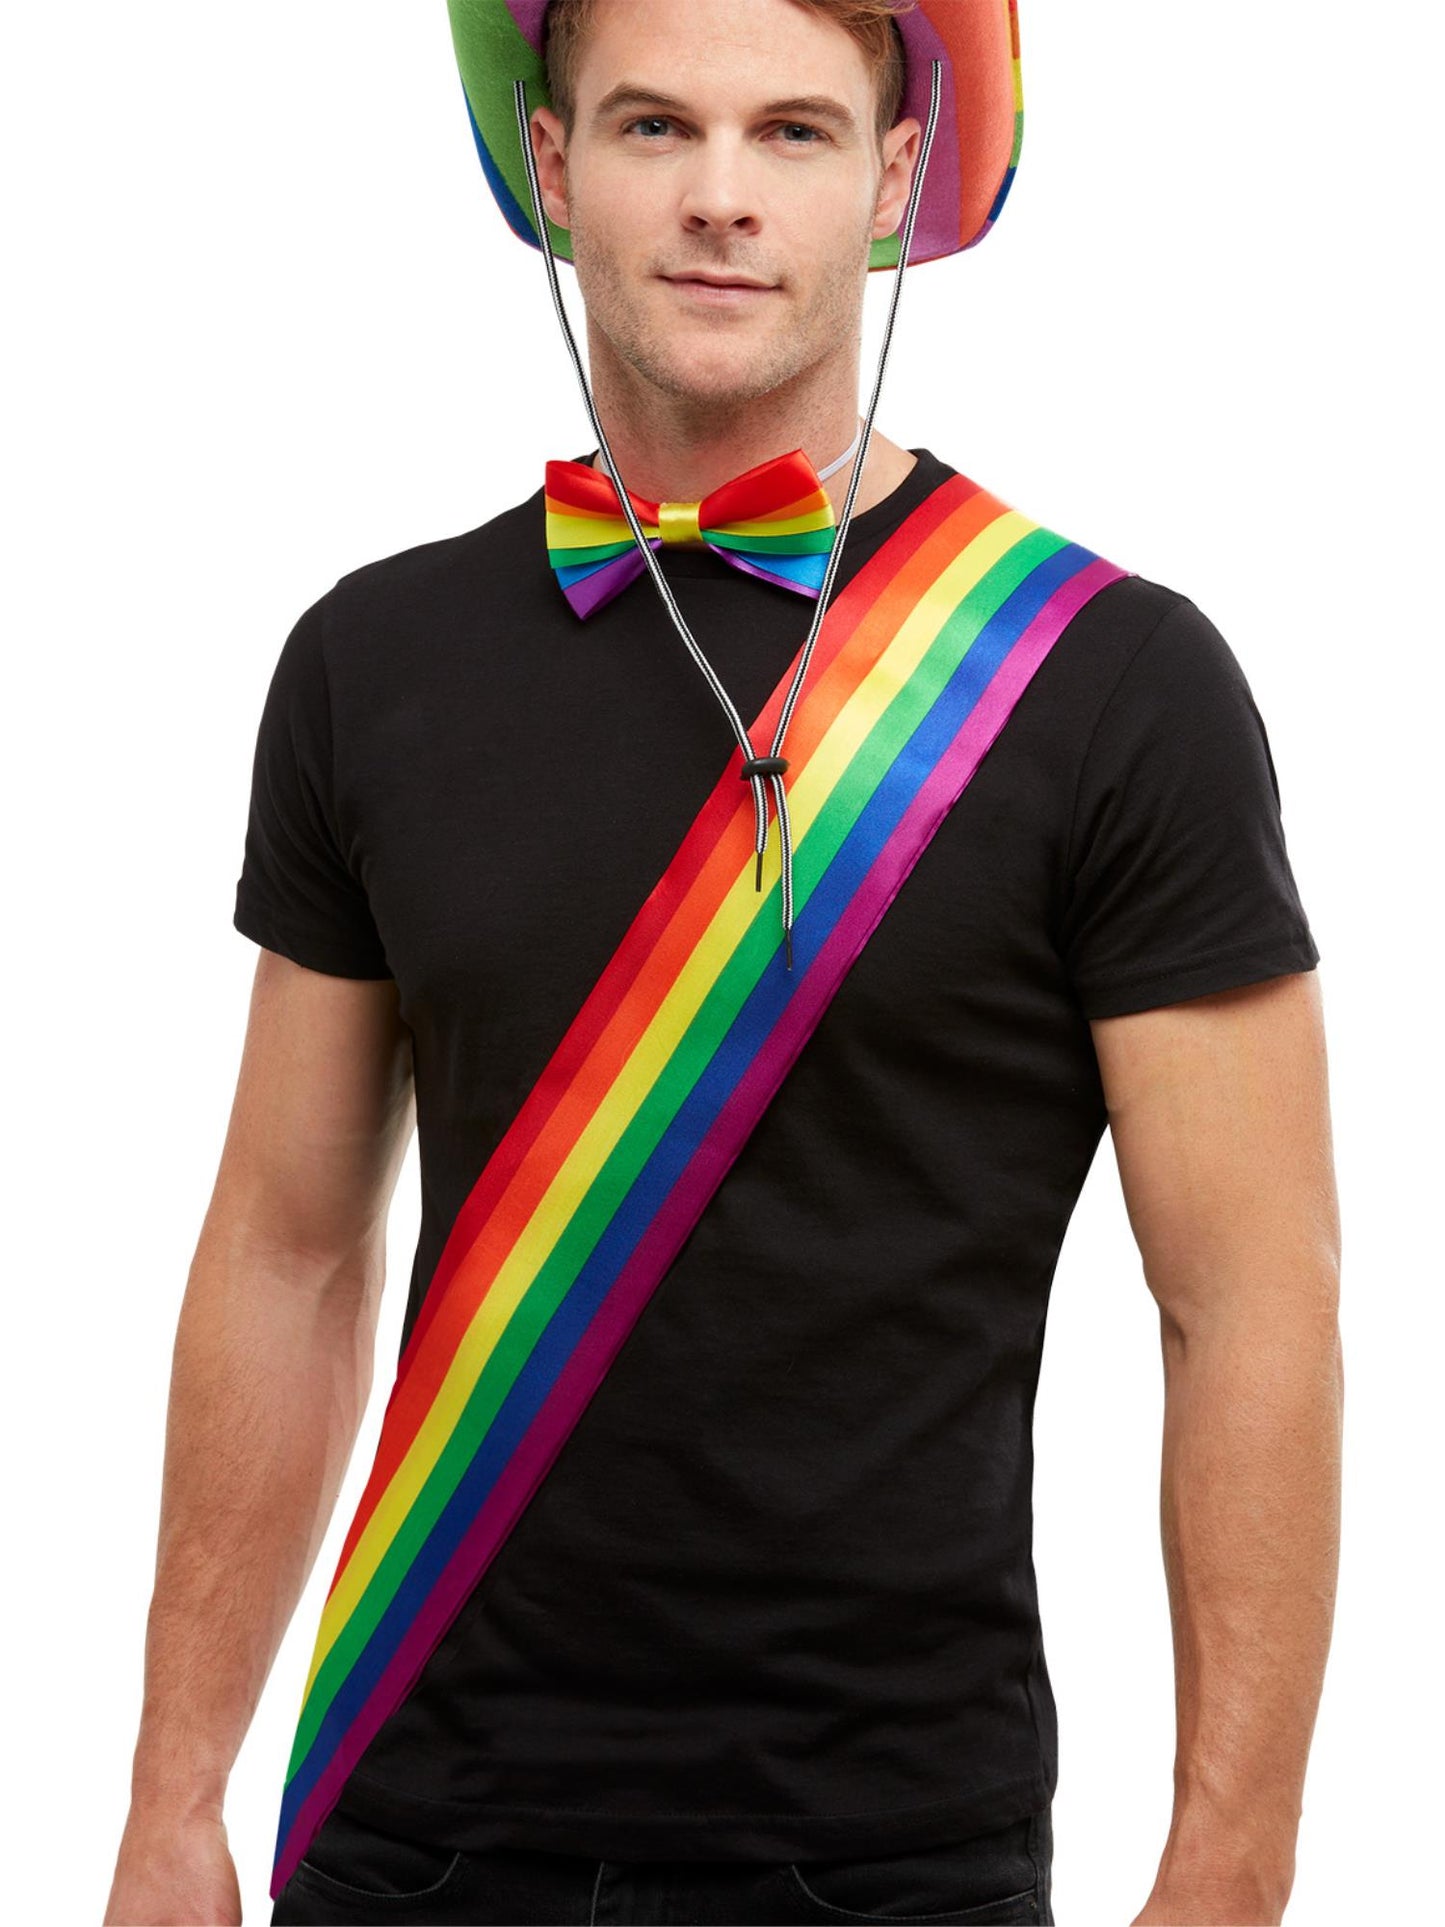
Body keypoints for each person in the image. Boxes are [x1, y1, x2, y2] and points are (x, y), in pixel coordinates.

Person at [105, 2, 1343, 1924]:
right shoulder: (369, 660)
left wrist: (1231, 1871)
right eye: (652, 125)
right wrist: (174, 1798)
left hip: (890, 1860)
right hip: (407, 1838)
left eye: (791, 132)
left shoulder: (1115, 682)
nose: (718, 197)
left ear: (893, 179)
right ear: (551, 166)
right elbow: (285, 1249)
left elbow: (1248, 1302)